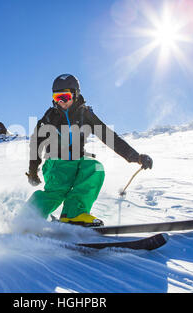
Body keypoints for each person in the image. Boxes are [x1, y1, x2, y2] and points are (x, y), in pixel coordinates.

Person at [25, 74, 152, 227]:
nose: (61, 102)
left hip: (78, 160)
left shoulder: (85, 115)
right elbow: (35, 143)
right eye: (57, 97)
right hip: (56, 163)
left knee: (95, 168)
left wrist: (135, 157)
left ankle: (74, 214)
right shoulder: (50, 117)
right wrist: (33, 171)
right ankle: (28, 217)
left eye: (64, 96)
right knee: (58, 191)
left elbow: (109, 136)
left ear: (75, 94)